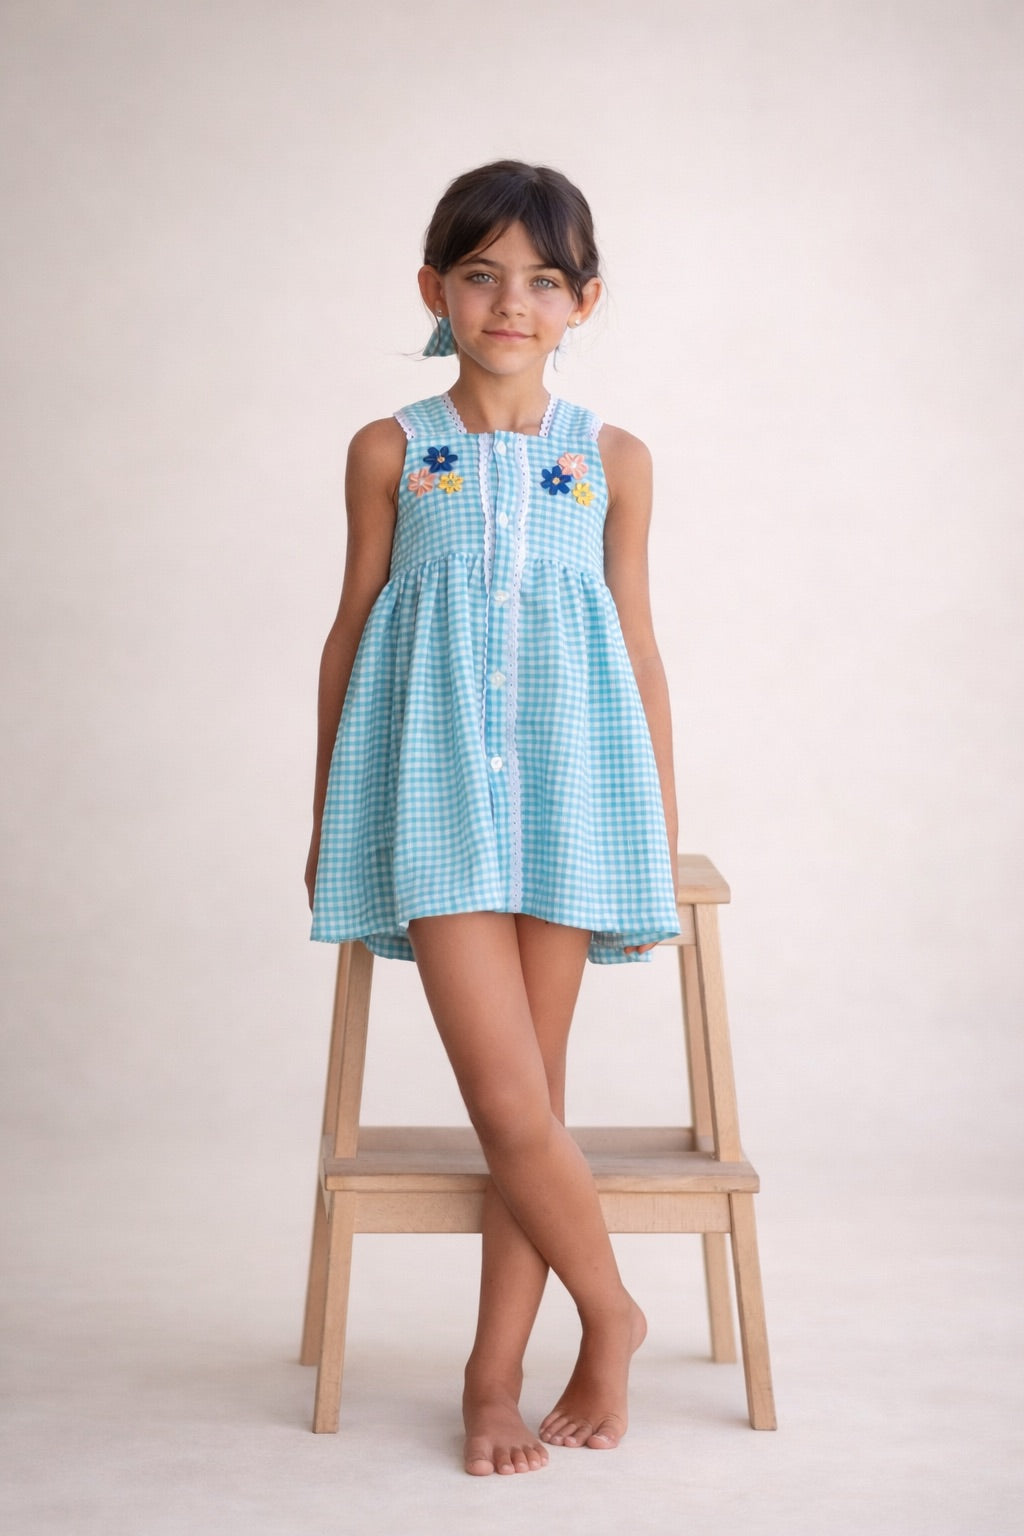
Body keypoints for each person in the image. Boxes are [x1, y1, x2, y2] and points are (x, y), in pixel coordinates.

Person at [305, 161, 680, 1476]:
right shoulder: (393, 452)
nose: (510, 302)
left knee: (537, 1110)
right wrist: (326, 811)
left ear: (584, 302)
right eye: (480, 275)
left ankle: (492, 1379)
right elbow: (351, 632)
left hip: (573, 810)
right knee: (510, 1100)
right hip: (435, 807)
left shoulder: (613, 461)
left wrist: (654, 827)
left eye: (542, 280)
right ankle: (614, 1311)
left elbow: (638, 650)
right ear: (435, 290)